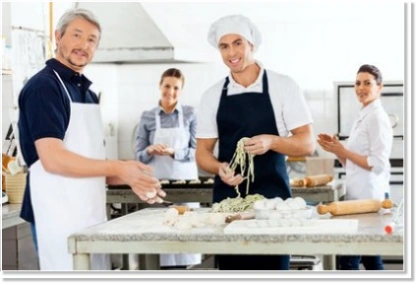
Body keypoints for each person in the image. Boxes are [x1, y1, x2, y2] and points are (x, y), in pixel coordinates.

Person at [17, 8, 165, 271]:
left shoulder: (85, 91)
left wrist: (134, 176)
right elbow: (52, 159)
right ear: (58, 36)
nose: (84, 45)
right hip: (56, 216)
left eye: (92, 39)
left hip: (89, 215)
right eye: (77, 35)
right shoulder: (45, 88)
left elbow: (90, 162)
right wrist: (119, 167)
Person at [196, 14, 315, 270]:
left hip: (274, 205)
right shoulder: (212, 95)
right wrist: (218, 168)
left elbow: (307, 143)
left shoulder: (283, 86)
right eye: (224, 46)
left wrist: (272, 142)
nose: (231, 52)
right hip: (229, 203)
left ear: (252, 45)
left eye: (237, 43)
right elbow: (203, 153)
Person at [317, 64, 392, 270]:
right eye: (357, 83)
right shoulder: (363, 115)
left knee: (348, 262)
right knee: (370, 259)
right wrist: (337, 150)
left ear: (380, 87)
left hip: (369, 199)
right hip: (358, 196)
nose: (361, 88)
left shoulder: (377, 117)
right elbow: (353, 164)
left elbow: (376, 164)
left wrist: (344, 150)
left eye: (367, 83)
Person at [134, 68, 201, 269]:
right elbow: (138, 156)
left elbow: (197, 151)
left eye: (176, 88)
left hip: (187, 187)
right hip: (156, 189)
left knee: (184, 240)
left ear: (181, 90)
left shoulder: (190, 114)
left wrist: (174, 152)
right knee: (159, 243)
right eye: (167, 86)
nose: (170, 91)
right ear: (160, 86)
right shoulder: (147, 117)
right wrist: (150, 150)